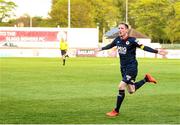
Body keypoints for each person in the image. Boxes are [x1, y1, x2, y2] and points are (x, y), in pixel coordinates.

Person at [98, 23, 167, 117]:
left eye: (122, 28)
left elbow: (144, 47)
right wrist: (100, 48)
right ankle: (146, 79)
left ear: (126, 30)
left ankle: (116, 110)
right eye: (118, 28)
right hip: (123, 68)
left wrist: (157, 51)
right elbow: (110, 45)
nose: (120, 30)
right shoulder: (117, 40)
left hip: (132, 67)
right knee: (131, 90)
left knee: (121, 86)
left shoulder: (133, 40)